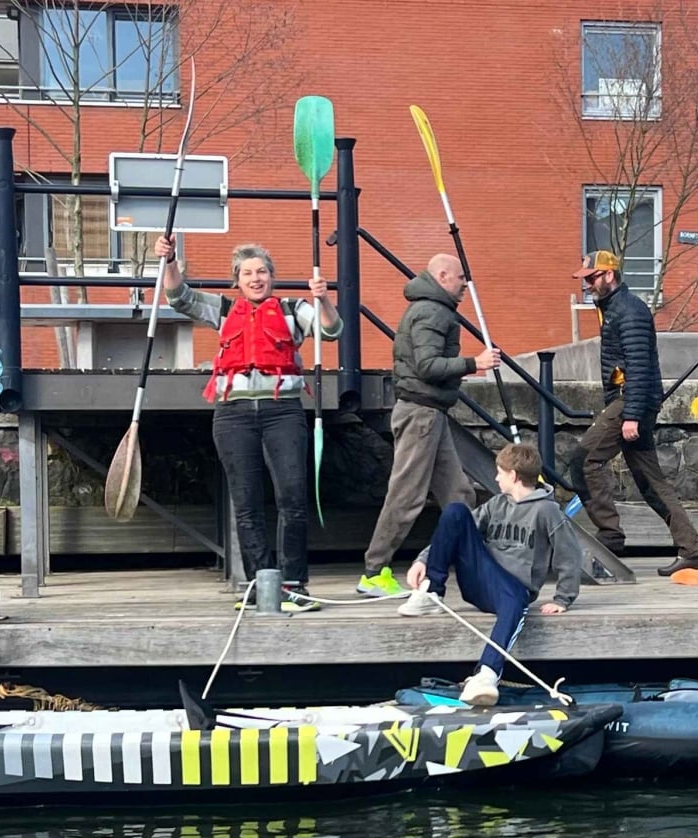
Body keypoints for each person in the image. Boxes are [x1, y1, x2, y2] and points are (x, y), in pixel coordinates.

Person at [155, 234, 340, 612]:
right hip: (233, 415)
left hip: (282, 411)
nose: (255, 278)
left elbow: (329, 331)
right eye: (247, 273)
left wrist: (323, 299)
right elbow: (179, 297)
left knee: (292, 498)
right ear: (236, 280)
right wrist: (170, 260)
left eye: (262, 272)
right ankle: (259, 582)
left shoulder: (292, 309)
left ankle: (293, 583)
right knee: (247, 503)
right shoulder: (222, 311)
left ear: (271, 277)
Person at [356, 255, 501, 597]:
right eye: (461, 277)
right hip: (421, 413)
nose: (465, 283)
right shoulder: (432, 311)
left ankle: (460, 562)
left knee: (459, 494)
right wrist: (474, 363)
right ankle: (374, 572)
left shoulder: (434, 309)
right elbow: (428, 366)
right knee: (406, 496)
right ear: (443, 276)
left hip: (430, 413)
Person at [397, 443, 582, 708]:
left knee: (515, 601)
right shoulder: (496, 504)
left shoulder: (547, 511)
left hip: (513, 591)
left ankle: (486, 674)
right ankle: (432, 591)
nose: (496, 478)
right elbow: (460, 529)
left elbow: (570, 554)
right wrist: (423, 560)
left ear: (514, 476)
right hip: (481, 580)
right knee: (456, 512)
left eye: (500, 473)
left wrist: (563, 599)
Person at [569, 250, 698, 576]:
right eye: (585, 280)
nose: (587, 286)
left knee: (583, 459)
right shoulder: (615, 308)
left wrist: (630, 415)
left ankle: (610, 538)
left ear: (609, 275)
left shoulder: (629, 312)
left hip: (632, 401)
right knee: (650, 481)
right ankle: (692, 550)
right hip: (633, 401)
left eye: (591, 278)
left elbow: (640, 367)